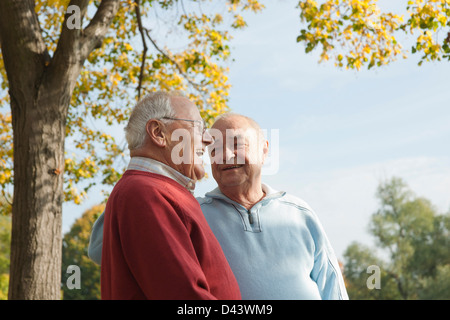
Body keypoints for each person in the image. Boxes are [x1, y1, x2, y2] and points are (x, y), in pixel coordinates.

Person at [89, 111, 348, 300]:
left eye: (236, 144)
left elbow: (331, 287)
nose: (225, 155)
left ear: (264, 150)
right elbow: (104, 248)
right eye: (214, 149)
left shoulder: (299, 213)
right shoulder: (189, 211)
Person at [96, 91, 241, 300]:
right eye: (198, 127)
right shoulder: (144, 193)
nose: (208, 139)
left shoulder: (153, 190)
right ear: (158, 133)